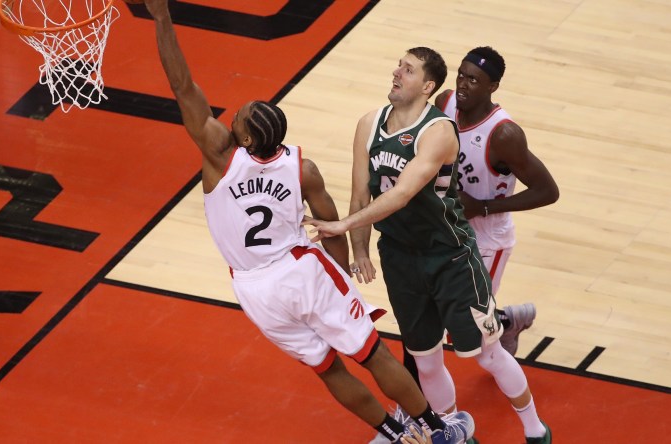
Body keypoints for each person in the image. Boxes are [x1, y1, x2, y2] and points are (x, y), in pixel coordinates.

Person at [143, 0, 474, 442]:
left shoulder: (219, 159)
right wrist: (341, 276)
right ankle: (436, 431)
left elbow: (182, 86)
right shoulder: (302, 168)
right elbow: (329, 223)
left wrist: (162, 18)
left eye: (238, 113)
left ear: (241, 137)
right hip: (302, 270)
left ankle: (395, 435)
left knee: (328, 368)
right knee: (372, 352)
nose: (234, 112)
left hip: (252, 288)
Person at [304, 47, 551, 443]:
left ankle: (535, 428)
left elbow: (400, 194)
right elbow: (360, 194)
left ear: (427, 85)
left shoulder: (440, 131)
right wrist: (361, 249)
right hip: (401, 255)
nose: (396, 72)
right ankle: (450, 431)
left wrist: (343, 224)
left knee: (485, 352)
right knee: (425, 359)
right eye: (398, 65)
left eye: (408, 69)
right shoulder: (369, 123)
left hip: (450, 254)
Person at [434, 46, 559, 356]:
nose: (463, 83)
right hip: (449, 226)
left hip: (487, 239)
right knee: (438, 312)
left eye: (474, 80)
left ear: (492, 87)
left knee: (472, 333)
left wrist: (484, 206)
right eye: (461, 75)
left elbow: (548, 191)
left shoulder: (504, 135)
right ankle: (504, 320)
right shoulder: (445, 102)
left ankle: (504, 328)